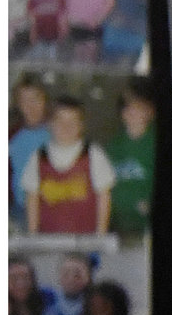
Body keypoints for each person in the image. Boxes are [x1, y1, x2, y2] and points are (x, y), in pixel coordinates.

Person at [22, 96, 114, 238]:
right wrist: (33, 236)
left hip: (85, 242)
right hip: (48, 240)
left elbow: (104, 198)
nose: (66, 127)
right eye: (60, 121)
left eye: (73, 121)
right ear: (50, 124)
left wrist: (100, 237)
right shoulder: (39, 157)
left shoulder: (93, 154)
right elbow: (32, 199)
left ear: (81, 125)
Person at [103, 79, 158, 245]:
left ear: (149, 111)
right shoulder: (113, 147)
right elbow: (107, 189)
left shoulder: (155, 141)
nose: (131, 112)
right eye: (127, 107)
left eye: (138, 107)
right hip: (120, 228)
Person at [9, 78, 51, 228]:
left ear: (44, 100)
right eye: (24, 101)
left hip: (52, 208)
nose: (30, 106)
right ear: (17, 104)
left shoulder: (57, 133)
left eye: (35, 99)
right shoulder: (12, 136)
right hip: (19, 209)